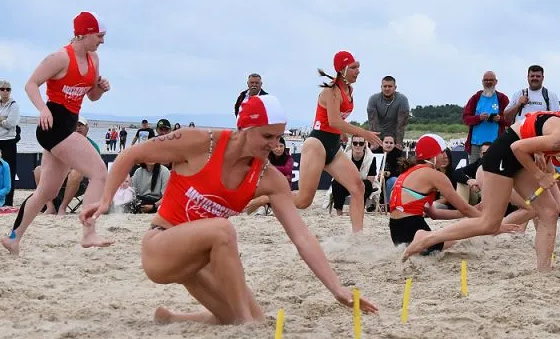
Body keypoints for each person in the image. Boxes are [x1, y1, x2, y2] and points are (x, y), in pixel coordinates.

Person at [81, 95, 378, 324]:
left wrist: (337, 289)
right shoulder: (200, 142)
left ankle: (172, 318)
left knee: (253, 318)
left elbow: (302, 237)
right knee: (223, 231)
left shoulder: (269, 178)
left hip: (202, 260)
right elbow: (131, 154)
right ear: (245, 128)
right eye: (267, 136)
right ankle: (245, 324)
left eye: (279, 137)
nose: (275, 145)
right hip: (161, 247)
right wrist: (105, 201)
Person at [403, 109, 560, 269]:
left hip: (517, 159)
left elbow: (536, 121)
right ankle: (428, 238)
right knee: (489, 222)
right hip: (504, 156)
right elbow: (517, 147)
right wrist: (539, 175)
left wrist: (540, 153)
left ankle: (544, 271)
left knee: (548, 211)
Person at [0, 11, 112, 255]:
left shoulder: (94, 59)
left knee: (46, 192)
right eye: (99, 36)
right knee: (100, 173)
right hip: (53, 126)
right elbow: (31, 84)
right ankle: (89, 232)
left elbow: (91, 96)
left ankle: (13, 238)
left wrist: (101, 89)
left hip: (68, 126)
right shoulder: (60, 58)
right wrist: (42, 109)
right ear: (84, 34)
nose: (102, 41)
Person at [244, 51, 382, 232]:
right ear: (342, 69)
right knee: (303, 201)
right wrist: (363, 133)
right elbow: (334, 121)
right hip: (317, 144)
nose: (358, 71)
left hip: (333, 145)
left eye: (358, 67)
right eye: (354, 67)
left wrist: (341, 133)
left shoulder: (349, 90)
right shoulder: (331, 91)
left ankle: (357, 236)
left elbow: (335, 119)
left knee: (358, 188)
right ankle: (267, 198)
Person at [390, 134, 506, 253]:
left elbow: (435, 214)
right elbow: (465, 209)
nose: (445, 155)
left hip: (396, 232)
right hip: (413, 228)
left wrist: (472, 210)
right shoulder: (434, 175)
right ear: (432, 155)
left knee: (453, 240)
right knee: (461, 243)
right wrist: (493, 225)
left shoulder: (408, 172)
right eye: (442, 152)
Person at [462, 71, 509, 162]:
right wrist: (478, 118)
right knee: (473, 168)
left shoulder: (502, 98)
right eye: (486, 80)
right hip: (476, 143)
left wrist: (500, 119)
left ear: (496, 82)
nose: (488, 82)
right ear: (482, 82)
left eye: (491, 80)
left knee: (493, 167)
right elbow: (465, 118)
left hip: (496, 142)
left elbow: (510, 119)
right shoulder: (475, 98)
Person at [366, 75, 409, 149]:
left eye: (390, 86)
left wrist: (399, 142)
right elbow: (373, 122)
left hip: (394, 137)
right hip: (378, 136)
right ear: (381, 87)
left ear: (395, 87)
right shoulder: (373, 99)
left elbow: (401, 124)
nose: (387, 89)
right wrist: (374, 142)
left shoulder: (402, 99)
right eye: (385, 86)